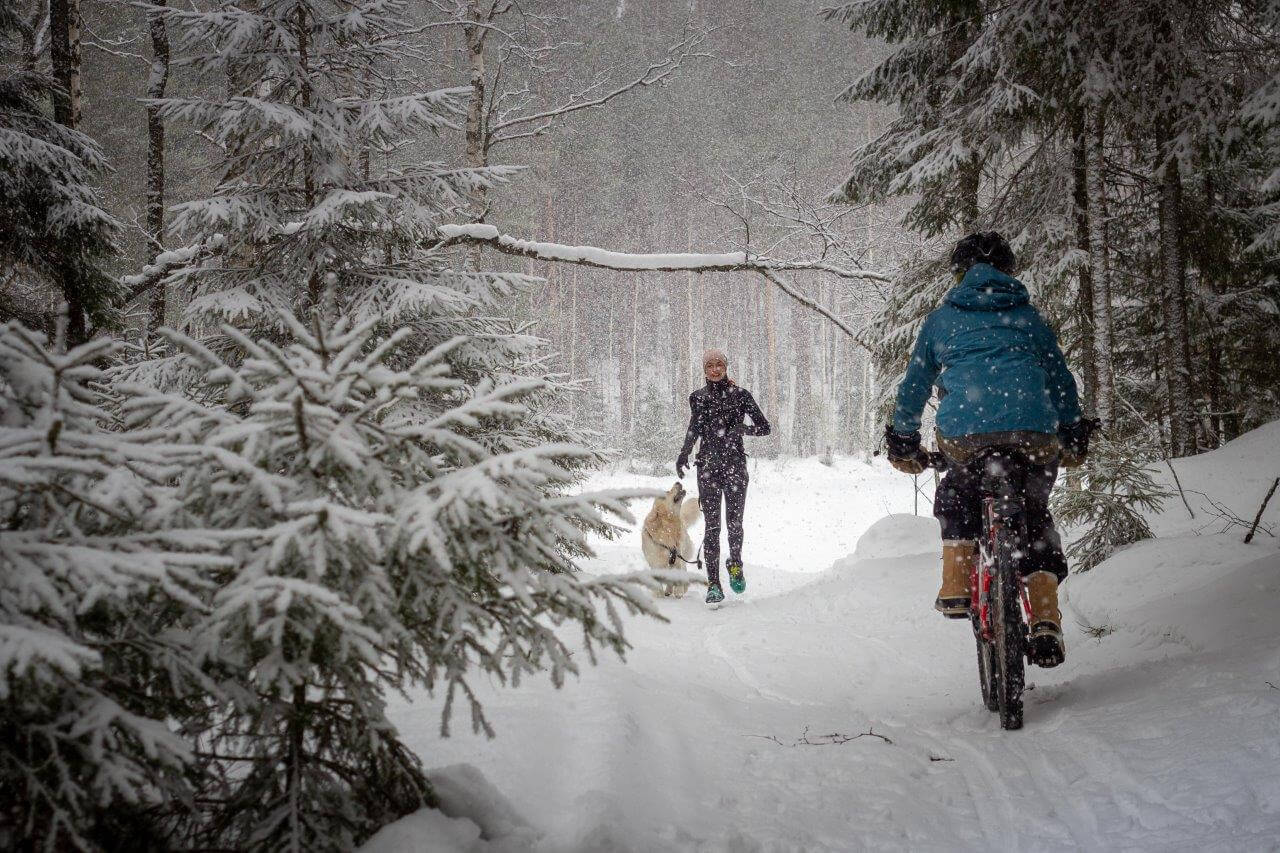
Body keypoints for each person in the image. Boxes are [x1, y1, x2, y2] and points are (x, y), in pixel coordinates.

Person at [884, 232, 1095, 667]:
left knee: (957, 491)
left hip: (967, 433)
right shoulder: (1028, 318)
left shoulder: (942, 320)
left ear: (960, 274)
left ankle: (957, 584)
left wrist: (903, 438)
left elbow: (915, 385)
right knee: (1034, 513)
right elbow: (1060, 379)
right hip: (1033, 433)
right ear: (1008, 272)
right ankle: (1046, 618)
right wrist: (1073, 430)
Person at [676, 349, 771, 604]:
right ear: (704, 370)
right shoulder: (698, 398)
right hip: (707, 468)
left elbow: (765, 427)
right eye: (710, 365)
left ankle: (735, 564)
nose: (715, 369)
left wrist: (743, 429)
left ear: (726, 367)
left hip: (735, 468)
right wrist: (684, 453)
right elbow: (694, 428)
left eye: (719, 364)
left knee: (734, 524)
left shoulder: (741, 395)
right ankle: (714, 584)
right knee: (712, 527)